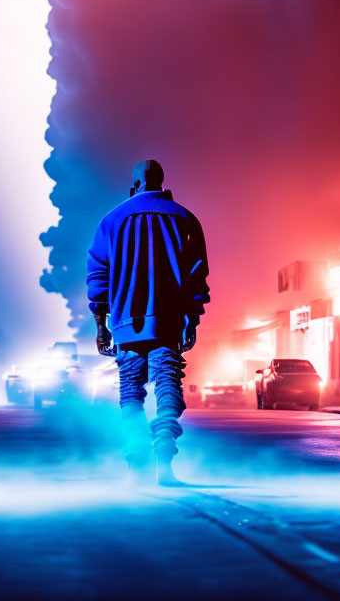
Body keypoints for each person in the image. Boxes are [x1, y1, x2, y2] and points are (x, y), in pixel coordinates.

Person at [87, 160, 209, 485]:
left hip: (125, 323)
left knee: (130, 390)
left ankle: (134, 462)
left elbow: (98, 274)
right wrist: (192, 320)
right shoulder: (185, 218)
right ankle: (165, 461)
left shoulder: (111, 220)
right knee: (168, 383)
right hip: (168, 322)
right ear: (160, 181)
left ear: (135, 184)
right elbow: (197, 277)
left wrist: (101, 324)